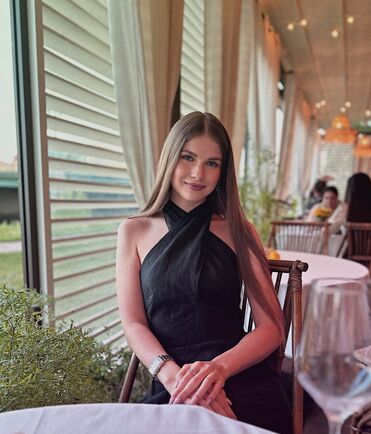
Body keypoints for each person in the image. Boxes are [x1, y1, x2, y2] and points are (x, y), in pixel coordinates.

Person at [116, 112, 292, 433]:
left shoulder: (239, 230)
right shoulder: (134, 231)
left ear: (223, 171)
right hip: (173, 380)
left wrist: (218, 370)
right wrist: (174, 378)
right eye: (188, 157)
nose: (198, 173)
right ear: (170, 158)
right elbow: (133, 323)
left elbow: (271, 328)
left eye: (212, 163)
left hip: (238, 371)